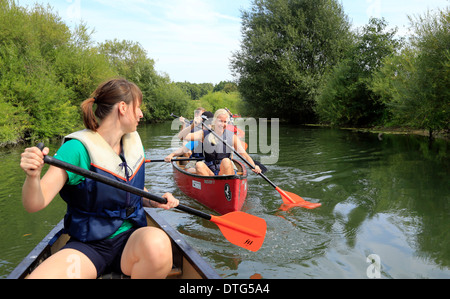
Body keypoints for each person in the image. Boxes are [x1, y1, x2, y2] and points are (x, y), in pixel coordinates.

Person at [20, 78, 179, 279]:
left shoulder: (132, 143)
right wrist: (32, 176)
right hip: (88, 246)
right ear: (123, 108)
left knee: (158, 243)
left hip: (131, 241)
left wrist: (155, 201)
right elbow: (34, 203)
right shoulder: (77, 149)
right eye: (138, 107)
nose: (141, 114)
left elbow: (131, 192)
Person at [178, 109, 262, 176]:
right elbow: (181, 137)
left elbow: (245, 156)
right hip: (209, 171)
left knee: (225, 161)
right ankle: (211, 186)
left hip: (226, 171)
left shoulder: (232, 137)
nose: (223, 124)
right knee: (199, 165)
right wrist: (193, 125)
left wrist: (254, 166)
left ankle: (224, 185)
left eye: (225, 122)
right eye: (220, 121)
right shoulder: (204, 134)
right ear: (214, 121)